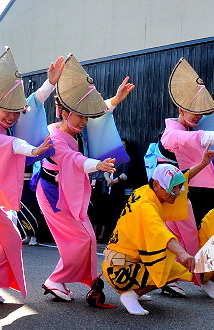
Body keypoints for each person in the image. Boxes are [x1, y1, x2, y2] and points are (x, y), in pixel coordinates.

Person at [35, 54, 133, 305]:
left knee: (86, 238)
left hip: (69, 189)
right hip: (52, 192)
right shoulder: (53, 136)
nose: (84, 120)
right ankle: (56, 280)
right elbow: (71, 159)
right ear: (64, 112)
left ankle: (63, 280)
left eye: (85, 116)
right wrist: (96, 165)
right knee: (80, 238)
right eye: (79, 116)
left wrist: (116, 100)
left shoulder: (77, 126)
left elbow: (98, 114)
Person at [0, 49, 59, 303]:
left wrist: (50, 83)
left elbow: (34, 102)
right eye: (6, 110)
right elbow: (11, 145)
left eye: (16, 112)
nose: (12, 116)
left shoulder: (5, 124)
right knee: (12, 239)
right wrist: (34, 150)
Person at [152, 59, 214, 296]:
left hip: (178, 192)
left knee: (185, 235)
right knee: (172, 235)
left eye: (199, 113)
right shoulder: (172, 133)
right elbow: (196, 138)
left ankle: (193, 277)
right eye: (192, 113)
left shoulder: (190, 124)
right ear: (181, 109)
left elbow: (213, 116)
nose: (197, 117)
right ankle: (182, 278)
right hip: (164, 195)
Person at [102, 164, 196, 315]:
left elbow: (183, 176)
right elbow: (160, 233)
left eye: (179, 187)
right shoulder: (146, 206)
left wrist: (204, 164)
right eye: (174, 188)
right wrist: (182, 253)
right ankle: (131, 295)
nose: (177, 193)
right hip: (120, 272)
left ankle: (136, 291)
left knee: (167, 262)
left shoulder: (144, 190)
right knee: (173, 269)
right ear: (158, 185)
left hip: (116, 263)